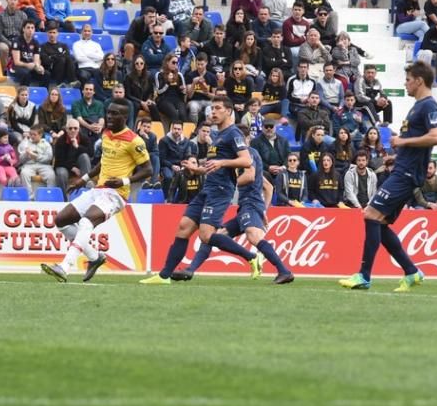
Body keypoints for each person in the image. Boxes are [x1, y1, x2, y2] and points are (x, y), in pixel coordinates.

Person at [339, 62, 437, 292]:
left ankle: (364, 275)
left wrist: (402, 142)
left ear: (419, 80)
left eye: (408, 79)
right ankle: (412, 272)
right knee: (380, 222)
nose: (405, 83)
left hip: (407, 175)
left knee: (370, 214)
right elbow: (419, 142)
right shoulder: (418, 106)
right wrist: (397, 156)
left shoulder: (429, 106)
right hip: (402, 169)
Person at [141, 96, 263, 284]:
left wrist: (223, 162)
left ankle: (251, 257)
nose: (212, 112)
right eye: (211, 108)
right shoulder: (217, 135)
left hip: (221, 190)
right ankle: (164, 276)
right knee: (183, 228)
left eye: (217, 108)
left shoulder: (234, 133)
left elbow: (246, 160)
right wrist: (198, 169)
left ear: (228, 111)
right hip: (208, 187)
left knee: (206, 235)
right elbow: (213, 163)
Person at [42, 103, 151, 282]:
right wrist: (83, 180)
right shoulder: (107, 134)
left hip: (116, 194)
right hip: (98, 189)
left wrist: (123, 181)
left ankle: (64, 266)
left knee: (86, 222)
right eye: (108, 113)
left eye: (114, 114)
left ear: (125, 117)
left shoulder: (134, 141)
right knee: (61, 220)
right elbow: (103, 161)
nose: (109, 116)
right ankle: (94, 257)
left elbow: (148, 170)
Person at [170, 145, 295, 284]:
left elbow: (250, 176)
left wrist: (226, 184)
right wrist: (264, 209)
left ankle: (283, 271)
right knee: (213, 236)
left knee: (254, 236)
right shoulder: (245, 157)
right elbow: (269, 187)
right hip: (246, 206)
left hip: (250, 204)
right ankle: (190, 270)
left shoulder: (249, 154)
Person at [18, 126, 57, 193]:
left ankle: (50, 195)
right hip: (29, 165)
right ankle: (29, 198)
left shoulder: (46, 144)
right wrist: (26, 155)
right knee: (24, 173)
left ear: (40, 135)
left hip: (44, 165)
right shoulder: (25, 143)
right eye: (31, 134)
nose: (32, 136)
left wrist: (35, 156)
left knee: (51, 175)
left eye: (34, 135)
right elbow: (21, 160)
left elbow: (49, 158)